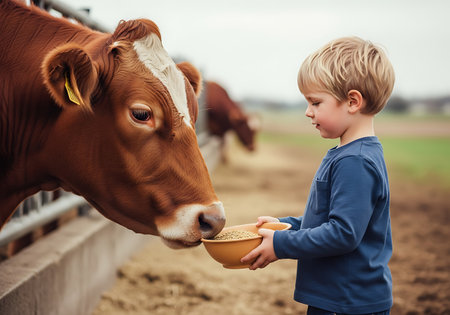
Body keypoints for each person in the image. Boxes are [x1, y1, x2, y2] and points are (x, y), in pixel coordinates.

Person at [241, 36, 395, 314]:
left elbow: (343, 233)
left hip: (347, 303)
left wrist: (281, 244)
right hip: (340, 298)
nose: (307, 112)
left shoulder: (355, 161)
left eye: (315, 102)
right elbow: (328, 220)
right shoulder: (350, 153)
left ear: (352, 101)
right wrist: (284, 226)